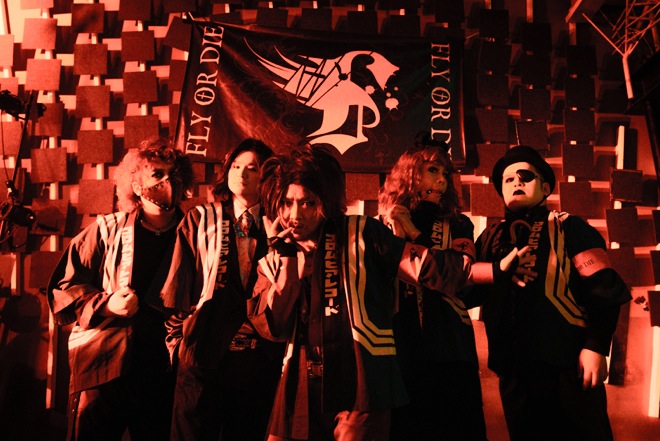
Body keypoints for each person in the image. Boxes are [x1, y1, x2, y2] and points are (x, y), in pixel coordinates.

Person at [248, 144, 524, 441]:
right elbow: (273, 327)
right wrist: (287, 262)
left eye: (307, 203)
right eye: (287, 203)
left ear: (325, 200)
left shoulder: (362, 231)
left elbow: (424, 266)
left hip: (363, 383)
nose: (295, 214)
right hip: (300, 385)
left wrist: (495, 270)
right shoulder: (274, 256)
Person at [469, 145, 632, 441]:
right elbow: (467, 293)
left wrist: (596, 346)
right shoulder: (490, 237)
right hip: (513, 369)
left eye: (525, 176)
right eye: (508, 179)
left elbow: (604, 289)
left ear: (545, 188)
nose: (516, 182)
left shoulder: (570, 226)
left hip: (568, 365)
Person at [47, 137, 194, 441]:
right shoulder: (106, 230)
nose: (168, 181)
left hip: (166, 370)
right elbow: (64, 287)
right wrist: (106, 304)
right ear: (136, 185)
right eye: (157, 174)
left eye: (174, 174)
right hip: (105, 364)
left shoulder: (196, 235)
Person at [156, 139, 285, 441]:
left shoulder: (280, 222)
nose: (241, 174)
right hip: (204, 353)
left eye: (252, 168)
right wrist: (178, 341)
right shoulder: (201, 218)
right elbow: (176, 288)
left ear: (267, 177)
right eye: (236, 166)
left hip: (258, 358)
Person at [378, 137, 487, 440]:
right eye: (432, 171)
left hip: (450, 347)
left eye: (446, 173)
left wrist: (414, 232)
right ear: (410, 173)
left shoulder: (459, 224)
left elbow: (459, 277)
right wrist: (399, 233)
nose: (441, 180)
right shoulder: (382, 224)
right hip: (400, 347)